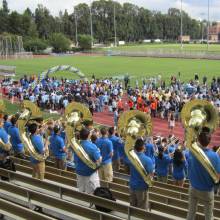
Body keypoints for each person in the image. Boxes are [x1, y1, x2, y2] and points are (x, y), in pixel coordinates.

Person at [187, 127, 220, 220]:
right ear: (209, 141)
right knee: (209, 215)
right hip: (207, 190)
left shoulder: (192, 151)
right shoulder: (215, 156)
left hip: (193, 187)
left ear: (198, 139)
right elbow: (218, 177)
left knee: (191, 212)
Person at [75, 128, 102, 194]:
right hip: (90, 173)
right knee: (94, 193)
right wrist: (99, 153)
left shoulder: (76, 145)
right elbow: (99, 161)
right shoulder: (92, 147)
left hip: (79, 171)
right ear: (88, 136)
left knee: (82, 191)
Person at [129, 138, 154, 210]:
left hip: (132, 185)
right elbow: (151, 175)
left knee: (132, 206)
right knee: (142, 208)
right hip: (141, 187)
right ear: (143, 147)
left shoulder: (131, 157)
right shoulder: (148, 160)